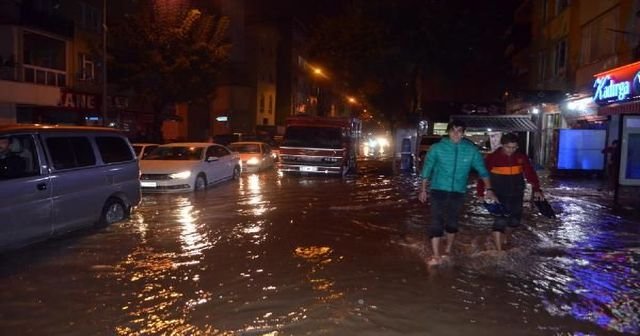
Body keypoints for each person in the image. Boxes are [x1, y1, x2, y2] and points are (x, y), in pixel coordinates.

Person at [419, 120, 497, 266]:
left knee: (452, 222)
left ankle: (448, 249)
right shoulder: (437, 148)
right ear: (448, 132)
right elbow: (427, 169)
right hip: (438, 190)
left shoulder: (471, 150)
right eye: (453, 131)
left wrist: (489, 189)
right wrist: (423, 189)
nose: (456, 134)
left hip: (458, 191)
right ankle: (436, 255)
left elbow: (482, 170)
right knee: (436, 222)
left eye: (459, 131)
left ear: (463, 133)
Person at [477, 133, 544, 251]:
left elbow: (530, 174)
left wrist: (537, 189)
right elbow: (483, 175)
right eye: (508, 147)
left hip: (517, 194)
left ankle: (505, 239)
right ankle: (499, 251)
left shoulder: (521, 157)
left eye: (514, 147)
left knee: (514, 221)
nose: (511, 150)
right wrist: (480, 193)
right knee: (500, 220)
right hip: (498, 194)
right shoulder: (492, 157)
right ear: (502, 145)